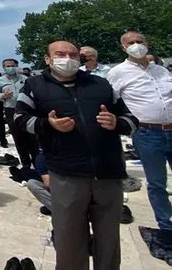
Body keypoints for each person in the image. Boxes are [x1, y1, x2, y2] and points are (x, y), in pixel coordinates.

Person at [15, 40, 138, 270]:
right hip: (67, 174)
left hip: (107, 173)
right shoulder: (34, 85)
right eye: (60, 54)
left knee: (109, 239)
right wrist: (48, 124)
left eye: (73, 54)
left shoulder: (100, 85)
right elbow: (20, 121)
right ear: (48, 59)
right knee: (69, 239)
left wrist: (117, 123)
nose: (68, 58)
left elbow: (131, 120)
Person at [107, 31, 172, 232]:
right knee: (157, 183)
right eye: (131, 43)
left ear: (147, 42)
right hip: (147, 133)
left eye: (139, 41)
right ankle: (166, 225)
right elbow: (111, 102)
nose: (136, 45)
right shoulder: (118, 73)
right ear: (123, 48)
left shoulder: (161, 71)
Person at [0, 58, 36, 166]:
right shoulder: (0, 80)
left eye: (12, 65)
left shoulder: (25, 78)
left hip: (26, 110)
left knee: (31, 136)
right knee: (18, 137)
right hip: (10, 110)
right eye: (8, 66)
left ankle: (37, 163)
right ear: (4, 68)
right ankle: (26, 164)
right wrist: (3, 96)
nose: (11, 68)